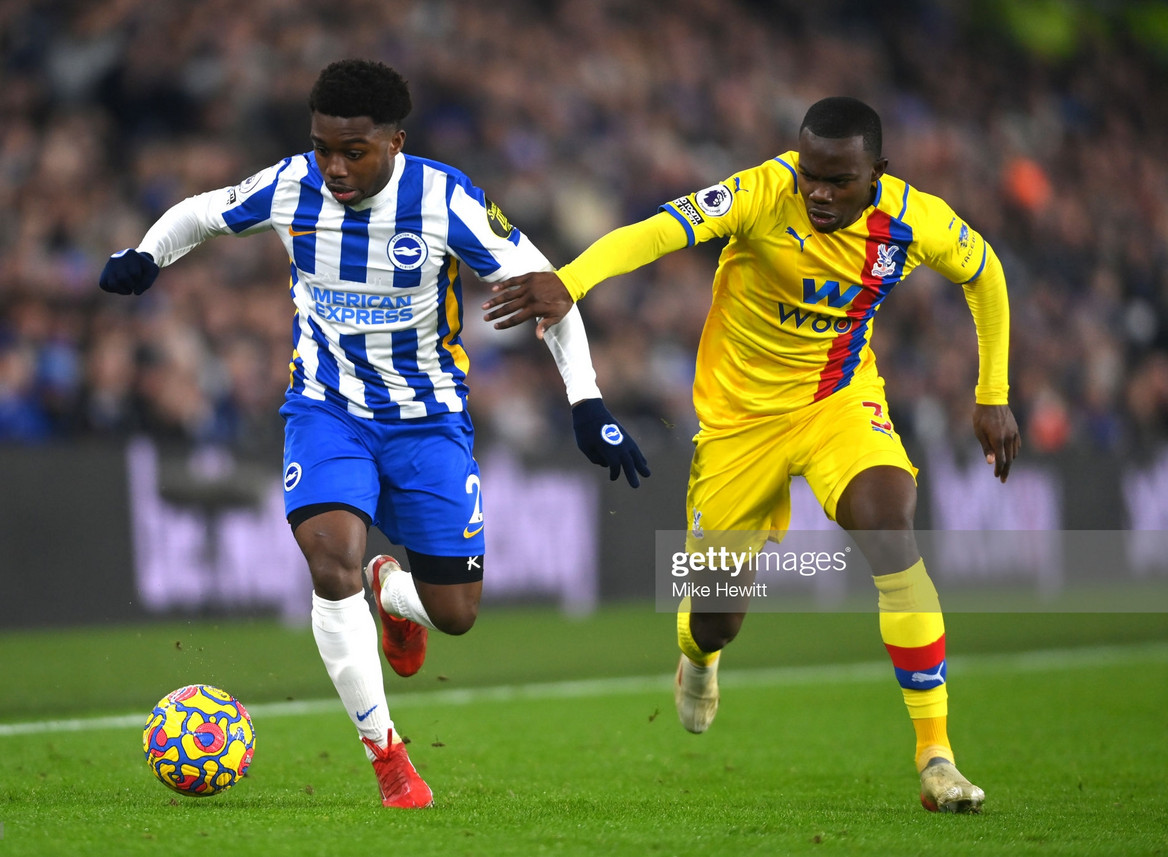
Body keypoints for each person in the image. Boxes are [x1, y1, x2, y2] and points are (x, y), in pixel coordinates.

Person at [100, 59, 649, 809]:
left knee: (455, 613)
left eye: (352, 150)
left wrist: (586, 400)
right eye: (323, 146)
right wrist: (145, 256)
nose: (334, 166)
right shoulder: (291, 185)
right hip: (325, 409)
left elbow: (548, 288)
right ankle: (388, 757)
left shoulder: (446, 201)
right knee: (330, 562)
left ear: (396, 140)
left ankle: (392, 592)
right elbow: (202, 210)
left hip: (427, 421)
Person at [482, 96, 1020, 814]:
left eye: (839, 179)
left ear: (877, 173)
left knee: (892, 531)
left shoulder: (915, 220)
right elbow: (656, 232)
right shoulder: (764, 191)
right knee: (717, 615)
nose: (819, 192)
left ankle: (936, 756)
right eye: (811, 176)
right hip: (737, 427)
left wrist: (993, 392)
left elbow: (984, 274)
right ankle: (700, 660)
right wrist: (571, 281)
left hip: (837, 403)